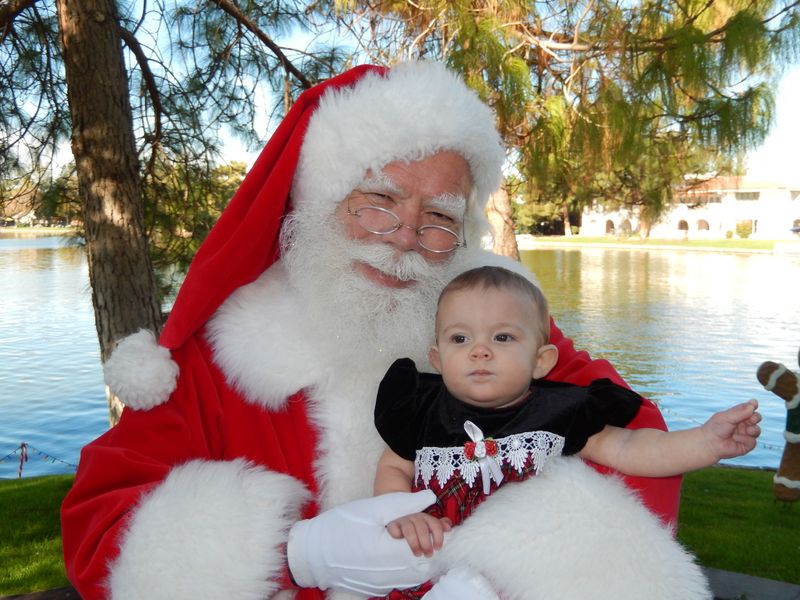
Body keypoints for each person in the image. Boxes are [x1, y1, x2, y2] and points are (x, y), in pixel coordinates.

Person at [62, 61, 681, 600]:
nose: (407, 238)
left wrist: (504, 571)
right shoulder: (222, 354)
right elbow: (101, 519)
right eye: (378, 203)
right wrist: (295, 554)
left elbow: (633, 431)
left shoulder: (491, 323)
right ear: (320, 201)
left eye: (438, 216)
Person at [371, 265, 761, 599]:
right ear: (437, 358)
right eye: (460, 338)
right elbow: (394, 467)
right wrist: (403, 513)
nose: (480, 350)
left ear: (541, 361)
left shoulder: (557, 413)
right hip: (428, 563)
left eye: (502, 337)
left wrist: (706, 441)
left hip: (521, 578)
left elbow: (631, 447)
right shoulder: (422, 411)